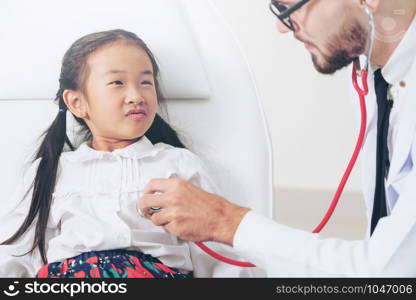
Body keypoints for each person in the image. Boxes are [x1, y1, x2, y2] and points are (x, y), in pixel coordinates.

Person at [138, 0, 416, 276]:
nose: (282, 27)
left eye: (290, 6)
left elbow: (390, 273)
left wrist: (225, 222)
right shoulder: (376, 76)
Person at [0, 29, 251, 278]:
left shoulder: (178, 165)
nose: (136, 96)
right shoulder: (49, 172)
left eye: (146, 82)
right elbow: (15, 257)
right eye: (117, 83)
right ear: (77, 103)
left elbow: (219, 253)